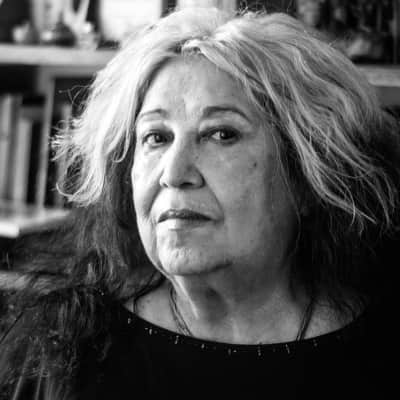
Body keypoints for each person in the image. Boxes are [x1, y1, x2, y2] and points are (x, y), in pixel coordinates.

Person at [0, 6, 399, 400]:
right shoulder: (63, 351)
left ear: (309, 175)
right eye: (156, 137)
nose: (174, 172)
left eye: (221, 134)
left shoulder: (381, 352)